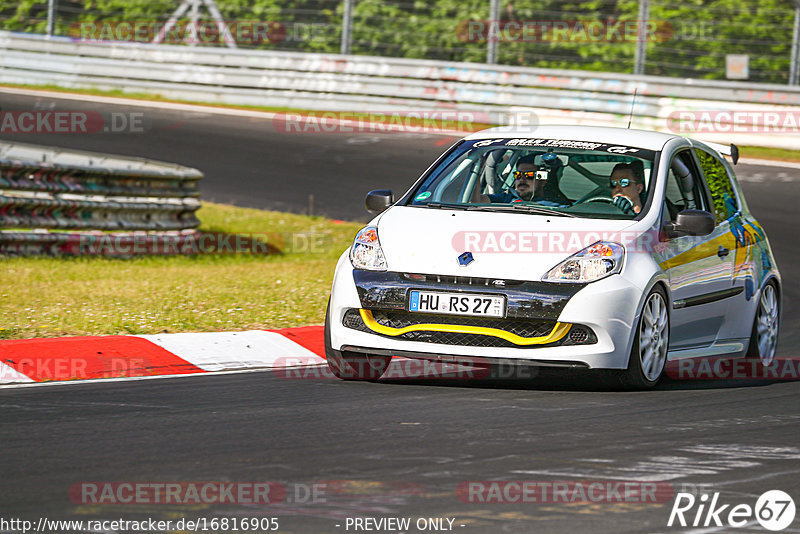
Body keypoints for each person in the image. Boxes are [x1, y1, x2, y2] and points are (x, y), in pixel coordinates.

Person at [488, 155, 569, 205]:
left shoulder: (557, 207)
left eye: (529, 175)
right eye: (518, 175)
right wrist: (479, 166)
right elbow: (477, 201)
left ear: (542, 180)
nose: (521, 180)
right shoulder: (506, 198)